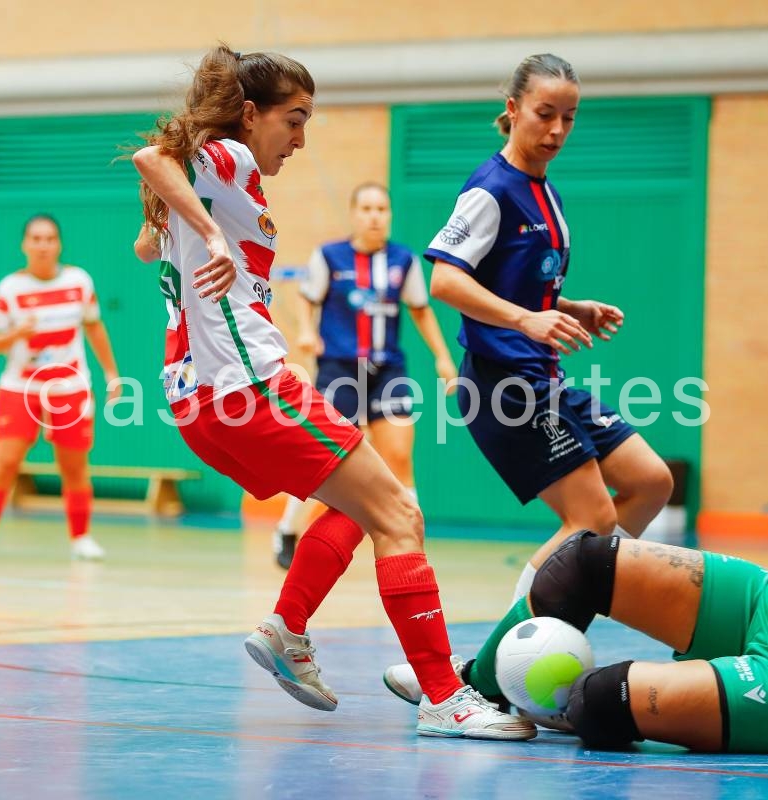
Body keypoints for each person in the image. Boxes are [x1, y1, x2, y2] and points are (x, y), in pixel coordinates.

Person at [386, 278, 768, 769]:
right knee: (583, 560)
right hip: (766, 603)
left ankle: (704, 695)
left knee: (596, 700)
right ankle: (463, 690)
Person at [132, 44, 533, 739]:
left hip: (200, 403)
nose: (301, 137)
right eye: (294, 119)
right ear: (250, 114)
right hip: (249, 389)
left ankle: (288, 627)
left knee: (361, 507)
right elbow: (152, 160)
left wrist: (185, 232)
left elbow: (145, 245)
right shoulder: (230, 160)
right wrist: (210, 236)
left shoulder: (221, 180)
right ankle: (444, 697)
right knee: (402, 514)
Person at [423, 53, 674, 603]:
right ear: (512, 110)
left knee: (652, 482)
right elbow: (444, 281)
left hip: (545, 377)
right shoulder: (492, 189)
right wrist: (526, 318)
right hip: (502, 383)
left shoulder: (545, 190)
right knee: (591, 514)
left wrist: (571, 305)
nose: (558, 129)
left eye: (569, 116)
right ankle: (503, 654)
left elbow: (517, 283)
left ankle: (572, 600)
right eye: (544, 113)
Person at [271, 182, 458, 569]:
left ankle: (411, 541)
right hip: (339, 370)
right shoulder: (330, 257)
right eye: (367, 209)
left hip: (388, 368)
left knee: (399, 453)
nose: (375, 216)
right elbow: (308, 300)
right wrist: (306, 330)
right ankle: (288, 528)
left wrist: (443, 358)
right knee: (324, 460)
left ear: (389, 215)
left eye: (382, 210)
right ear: (355, 214)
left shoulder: (403, 261)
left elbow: (421, 310)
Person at [0, 214, 119, 561]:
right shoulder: (9, 289)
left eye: (49, 239)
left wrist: (111, 375)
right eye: (36, 239)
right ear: (25, 244)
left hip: (70, 387)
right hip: (20, 388)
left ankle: (81, 538)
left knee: (73, 466)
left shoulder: (79, 282)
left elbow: (94, 328)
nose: (43, 245)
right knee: (3, 462)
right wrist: (17, 334)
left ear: (58, 244)